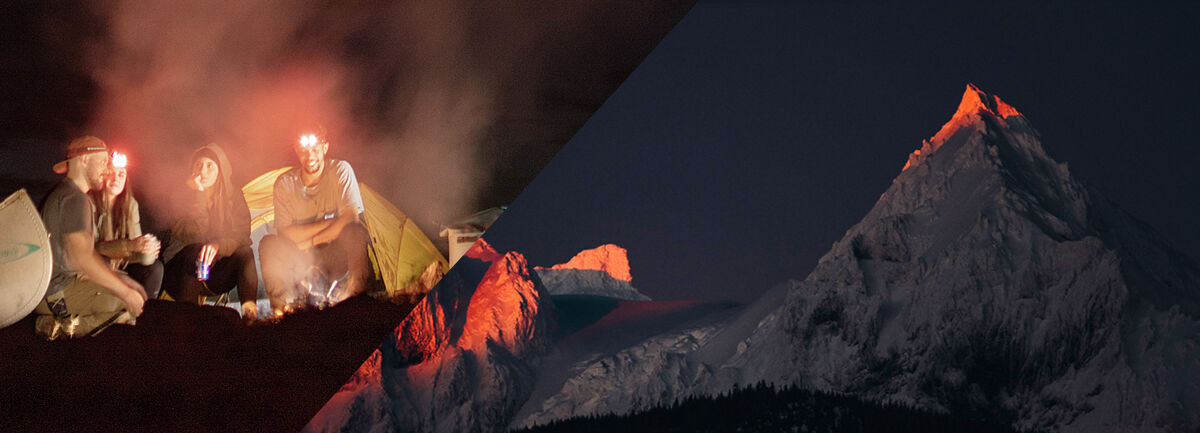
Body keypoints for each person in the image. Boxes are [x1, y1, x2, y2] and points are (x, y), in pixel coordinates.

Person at [35, 136, 147, 339]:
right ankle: (59, 326)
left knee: (125, 284)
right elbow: (83, 257)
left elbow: (74, 256)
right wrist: (126, 293)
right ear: (85, 159)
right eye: (103, 161)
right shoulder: (76, 199)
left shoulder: (64, 194)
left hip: (48, 287)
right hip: (57, 294)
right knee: (127, 305)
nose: (106, 169)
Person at [260, 129, 370, 315]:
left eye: (315, 149)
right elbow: (286, 233)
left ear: (325, 147)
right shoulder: (285, 184)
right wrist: (332, 223)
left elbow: (350, 218)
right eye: (304, 150)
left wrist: (310, 241)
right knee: (268, 244)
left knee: (355, 232)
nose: (310, 155)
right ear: (296, 150)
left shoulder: (340, 171)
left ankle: (356, 301)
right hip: (299, 260)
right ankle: (281, 311)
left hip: (335, 256)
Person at [162, 143, 259, 319]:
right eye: (198, 165)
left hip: (214, 274)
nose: (203, 171)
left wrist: (218, 246)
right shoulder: (181, 195)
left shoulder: (232, 196)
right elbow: (190, 234)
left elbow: (242, 234)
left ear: (220, 170)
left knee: (245, 252)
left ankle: (249, 315)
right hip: (181, 273)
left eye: (209, 166)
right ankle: (189, 322)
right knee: (195, 249)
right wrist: (198, 196)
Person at [90, 151, 164, 300]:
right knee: (103, 262)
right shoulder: (89, 203)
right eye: (110, 173)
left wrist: (146, 250)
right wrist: (131, 246)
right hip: (94, 266)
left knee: (155, 268)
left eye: (121, 174)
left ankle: (146, 315)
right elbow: (93, 249)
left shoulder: (130, 204)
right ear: (101, 175)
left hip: (121, 264)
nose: (115, 179)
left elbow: (134, 247)